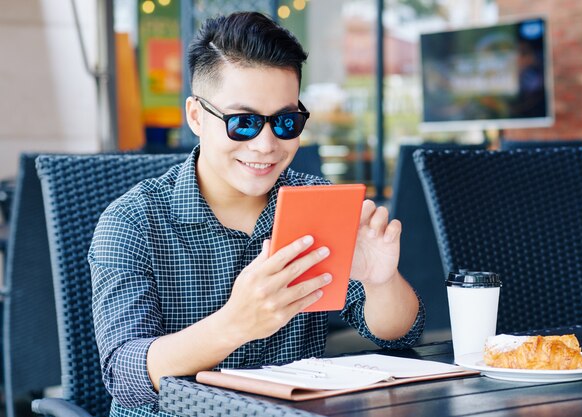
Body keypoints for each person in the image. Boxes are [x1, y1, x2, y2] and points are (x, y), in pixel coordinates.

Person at [89, 11, 424, 417]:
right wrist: (235, 323)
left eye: (286, 122)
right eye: (243, 123)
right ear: (196, 116)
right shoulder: (133, 221)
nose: (266, 145)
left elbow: (397, 335)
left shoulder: (314, 200)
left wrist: (382, 281)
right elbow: (125, 376)